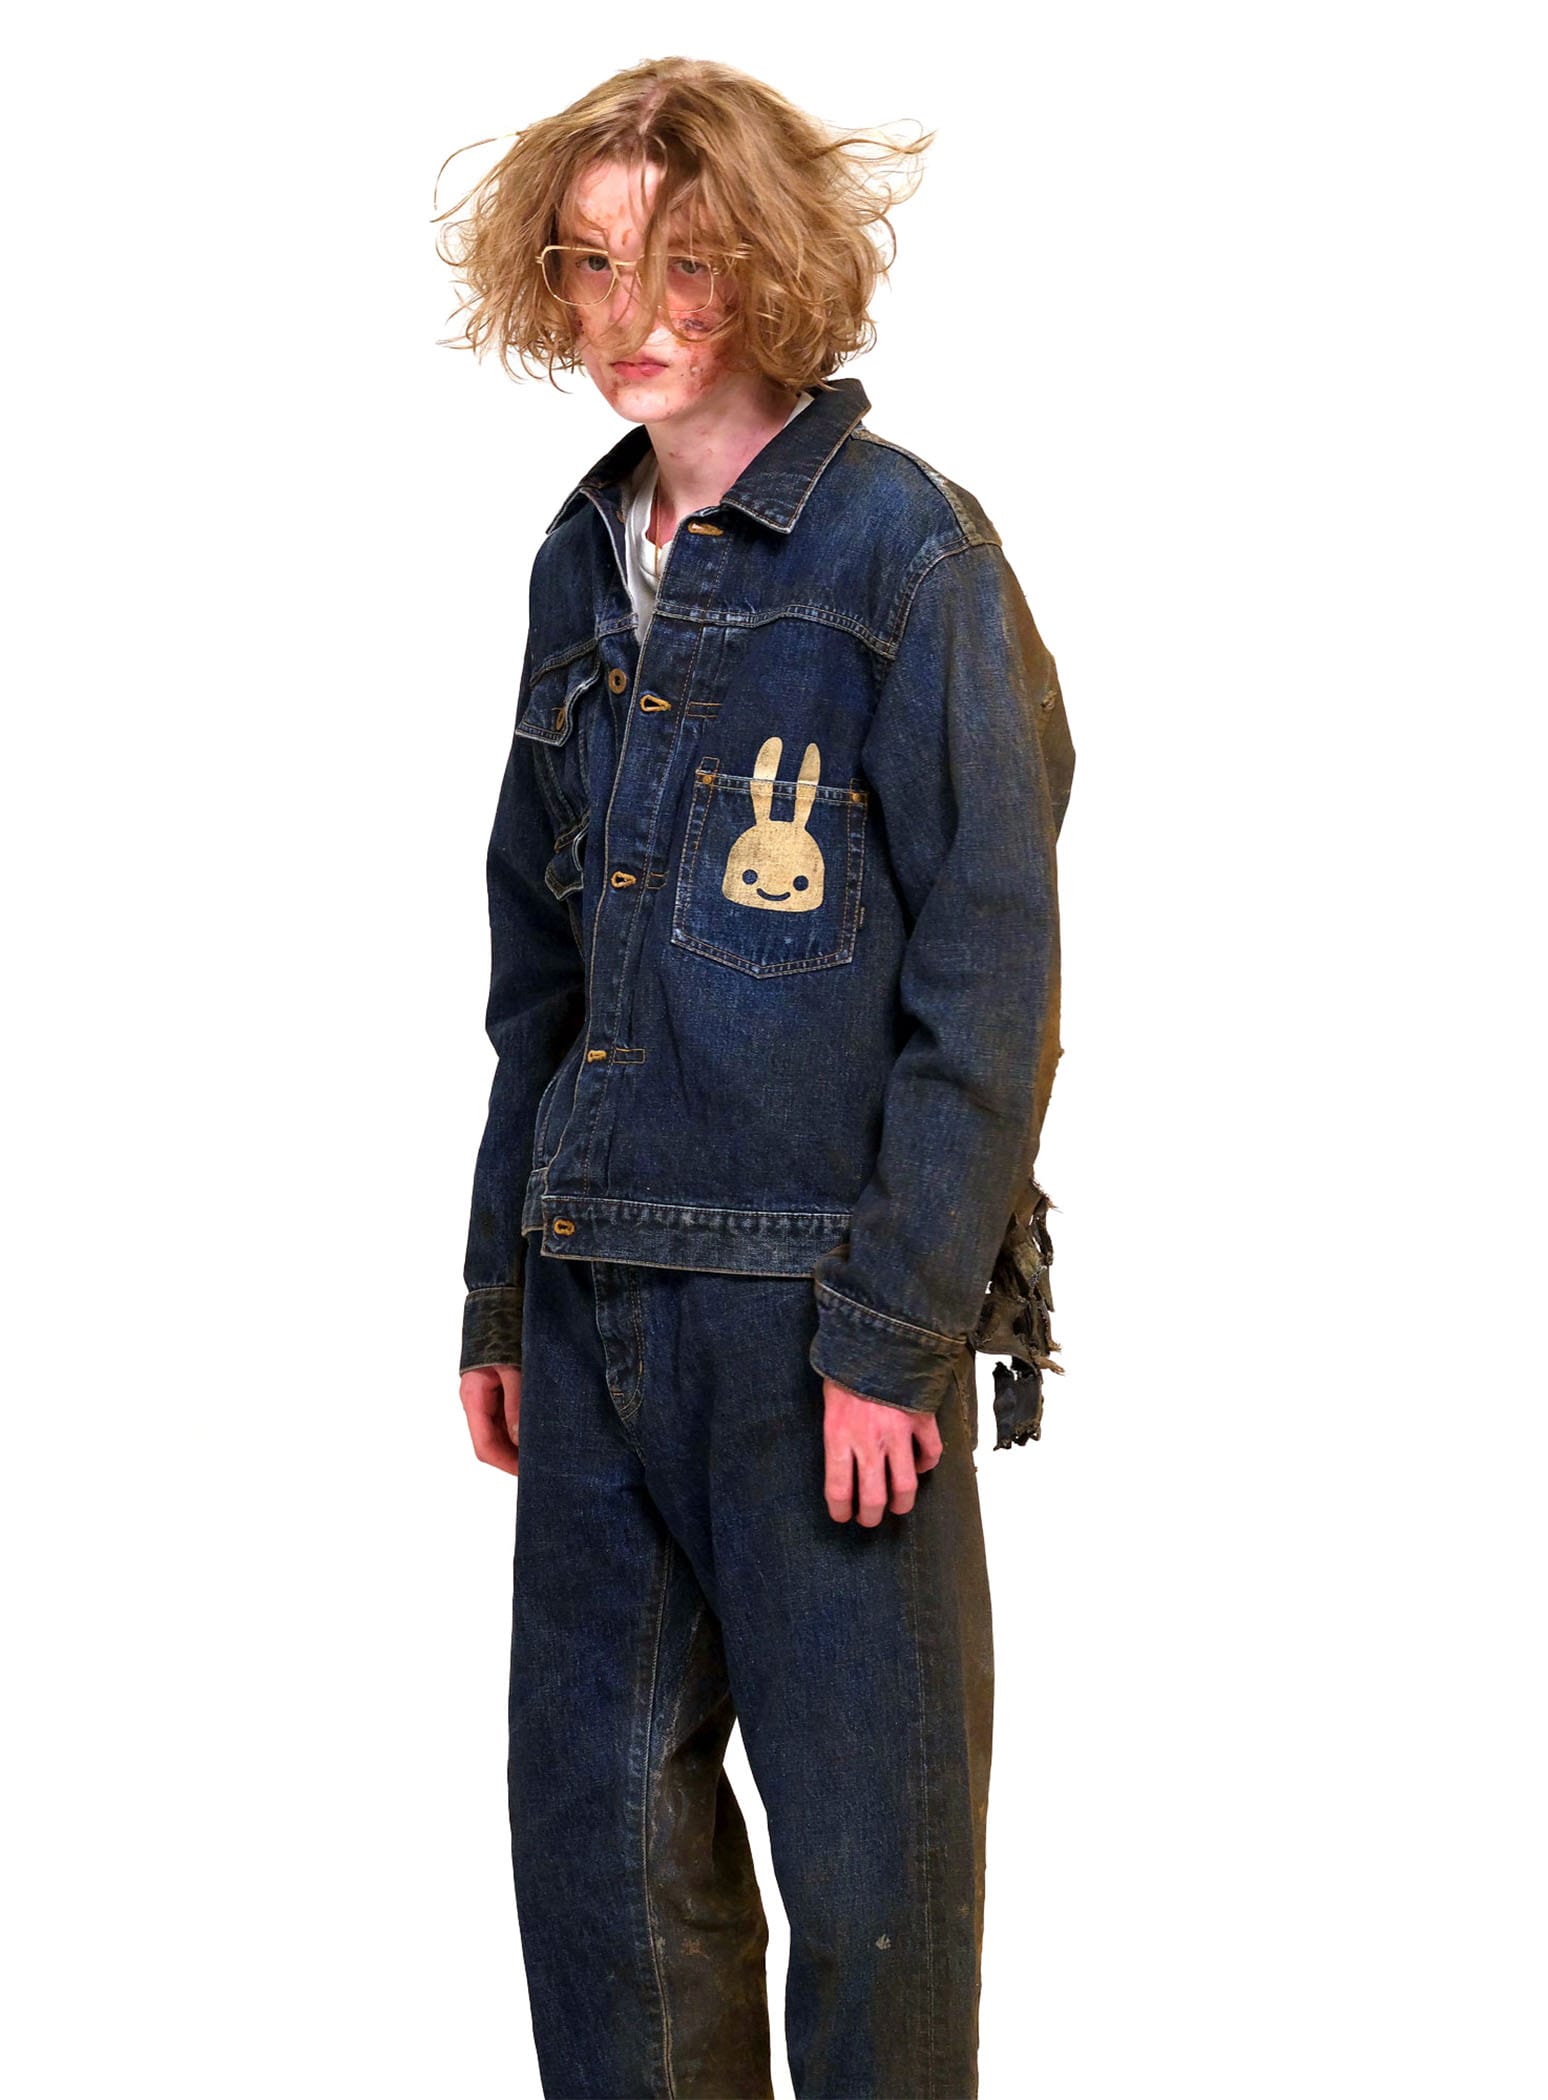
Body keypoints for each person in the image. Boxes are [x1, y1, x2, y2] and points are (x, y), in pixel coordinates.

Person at [435, 55, 1075, 2100]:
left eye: (686, 263)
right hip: (596, 1301)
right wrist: (501, 1290)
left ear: (775, 268)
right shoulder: (580, 560)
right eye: (591, 263)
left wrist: (897, 1325)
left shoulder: (902, 552)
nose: (633, 312)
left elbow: (991, 965)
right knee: (603, 1881)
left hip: (817, 1321)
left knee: (880, 1888)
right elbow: (539, 966)